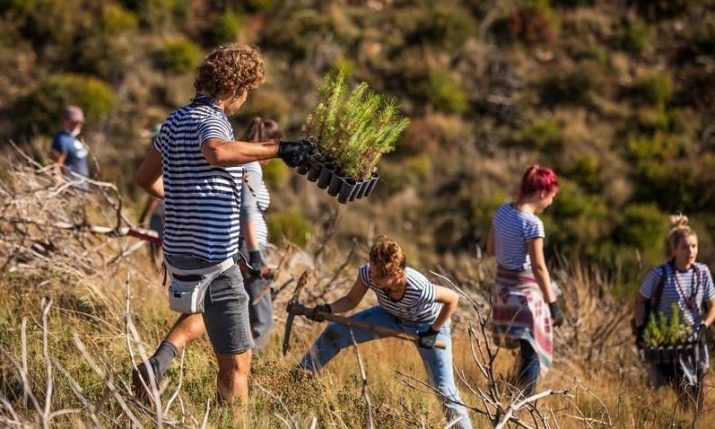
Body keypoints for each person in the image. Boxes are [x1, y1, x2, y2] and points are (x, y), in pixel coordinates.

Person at [133, 44, 310, 406]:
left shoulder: (175, 120)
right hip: (215, 261)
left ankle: (159, 363)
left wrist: (180, 195)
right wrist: (277, 150)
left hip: (179, 255)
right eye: (248, 92)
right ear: (239, 88)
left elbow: (144, 178)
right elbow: (217, 151)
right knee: (238, 363)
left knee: (211, 329)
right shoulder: (213, 120)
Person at [298, 236, 474, 429]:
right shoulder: (368, 274)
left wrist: (433, 331)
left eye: (379, 276)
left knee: (444, 390)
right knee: (335, 332)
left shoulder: (419, 288)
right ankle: (294, 382)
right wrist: (327, 309)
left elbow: (453, 299)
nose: (373, 279)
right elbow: (350, 300)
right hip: (389, 315)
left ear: (397, 272)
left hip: (427, 325)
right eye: (372, 271)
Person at [486, 164, 563, 397]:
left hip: (502, 291)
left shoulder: (502, 211)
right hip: (524, 295)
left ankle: (513, 393)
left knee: (524, 347)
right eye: (552, 197)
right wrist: (553, 304)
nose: (550, 203)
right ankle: (524, 401)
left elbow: (490, 249)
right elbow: (539, 267)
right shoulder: (533, 224)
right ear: (542, 193)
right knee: (532, 350)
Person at [633, 215, 715, 401]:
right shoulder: (660, 273)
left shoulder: (702, 272)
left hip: (694, 342)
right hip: (667, 342)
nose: (690, 251)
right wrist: (640, 329)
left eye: (694, 246)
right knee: (684, 392)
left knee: (697, 395)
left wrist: (704, 325)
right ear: (674, 249)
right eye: (685, 247)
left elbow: (712, 307)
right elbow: (639, 301)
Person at [238, 117, 281, 354]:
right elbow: (247, 210)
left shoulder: (236, 161)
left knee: (243, 313)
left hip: (241, 244)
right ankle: (245, 373)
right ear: (270, 143)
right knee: (261, 321)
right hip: (247, 246)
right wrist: (255, 255)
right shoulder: (251, 165)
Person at [138, 125, 165, 268]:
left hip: (160, 215)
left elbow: (153, 198)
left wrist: (143, 216)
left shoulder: (159, 162)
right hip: (174, 214)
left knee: (155, 255)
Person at [50, 105, 90, 187]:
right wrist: (58, 180)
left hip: (81, 187)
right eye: (74, 123)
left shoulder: (73, 138)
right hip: (71, 188)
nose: (77, 125)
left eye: (79, 123)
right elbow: (56, 164)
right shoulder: (61, 139)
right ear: (65, 120)